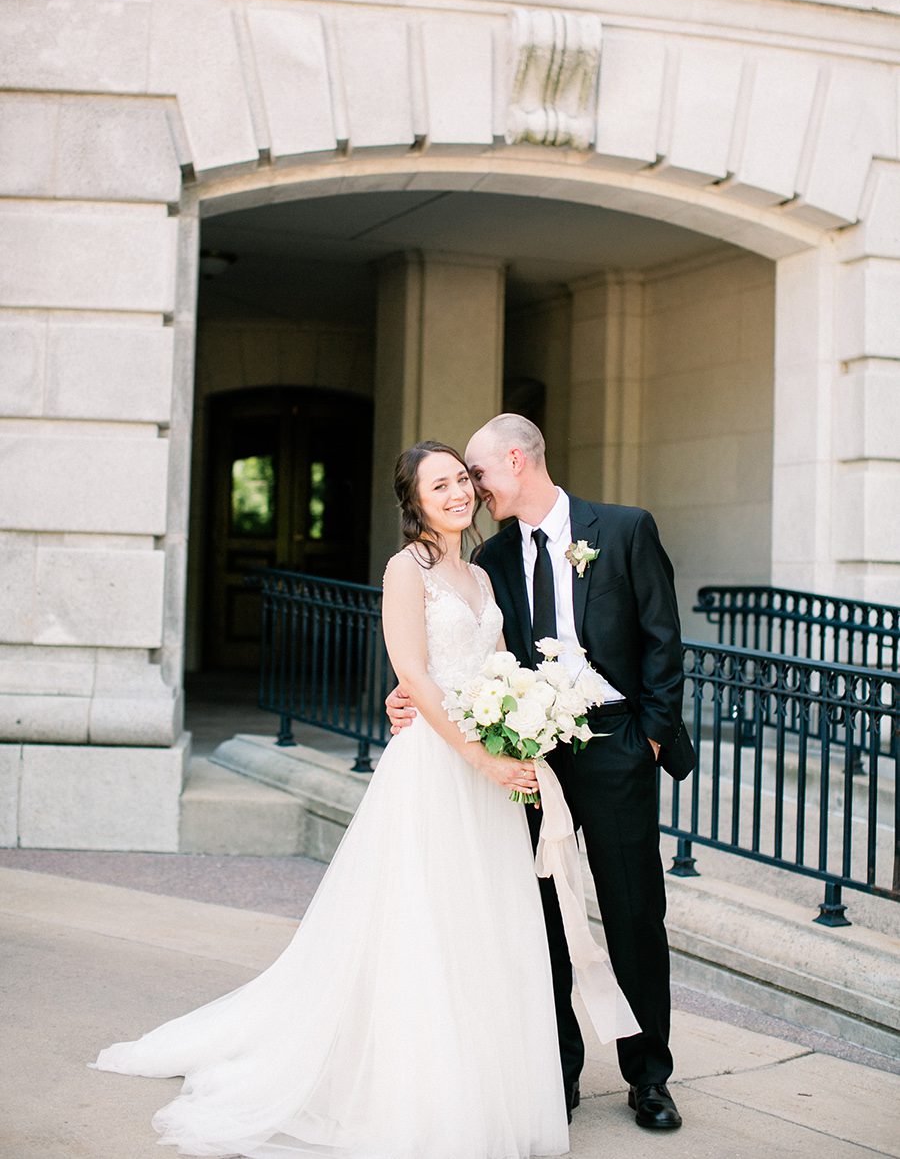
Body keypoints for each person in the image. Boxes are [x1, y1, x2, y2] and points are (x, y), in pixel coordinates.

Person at [90, 441, 574, 1159]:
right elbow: (412, 668)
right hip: (438, 772)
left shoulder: (478, 573)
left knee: (483, 928)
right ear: (413, 501)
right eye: (437, 485)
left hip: (487, 778)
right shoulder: (404, 570)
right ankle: (419, 1096)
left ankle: (485, 1087)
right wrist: (477, 753)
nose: (455, 494)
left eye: (461, 482)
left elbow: (487, 668)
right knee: (423, 925)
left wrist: (513, 727)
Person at [388, 413, 688, 1132]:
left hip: (617, 745)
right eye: (456, 480)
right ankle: (557, 1070)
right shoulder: (487, 565)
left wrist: (646, 739)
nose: (474, 489)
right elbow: (446, 651)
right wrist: (401, 694)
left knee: (633, 910)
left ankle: (649, 1077)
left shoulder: (623, 530)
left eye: (477, 475)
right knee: (538, 916)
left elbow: (664, 642)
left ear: (515, 462)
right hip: (528, 757)